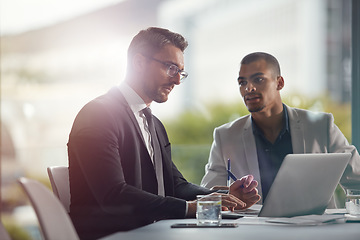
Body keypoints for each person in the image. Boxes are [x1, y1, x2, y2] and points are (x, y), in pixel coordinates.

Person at [67, 27, 260, 240]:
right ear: (139, 63)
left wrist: (224, 196)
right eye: (170, 68)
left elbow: (175, 185)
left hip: (153, 232)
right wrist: (190, 208)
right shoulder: (99, 114)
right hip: (114, 235)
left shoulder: (154, 123)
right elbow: (113, 195)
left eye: (181, 72)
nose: (177, 80)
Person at [201, 52, 360, 205]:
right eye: (242, 82)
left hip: (315, 227)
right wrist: (231, 195)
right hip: (254, 229)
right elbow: (209, 196)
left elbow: (356, 180)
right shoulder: (225, 135)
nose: (249, 88)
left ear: (279, 83)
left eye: (258, 79)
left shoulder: (321, 126)